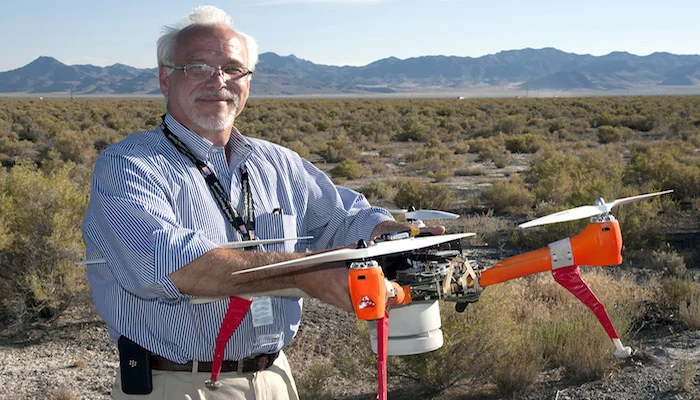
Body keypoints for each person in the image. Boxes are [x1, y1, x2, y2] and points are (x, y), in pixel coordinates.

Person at [81, 5, 443, 400]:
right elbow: (165, 265)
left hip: (275, 378)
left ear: (248, 80)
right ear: (166, 78)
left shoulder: (278, 163)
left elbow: (342, 219)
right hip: (177, 384)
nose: (217, 81)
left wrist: (391, 234)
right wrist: (303, 273)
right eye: (197, 68)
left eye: (233, 69)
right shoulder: (128, 165)